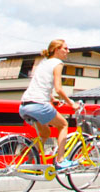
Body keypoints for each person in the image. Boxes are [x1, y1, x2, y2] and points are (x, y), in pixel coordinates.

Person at [18, 39, 80, 170]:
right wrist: (71, 104)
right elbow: (59, 88)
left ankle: (30, 161)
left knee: (45, 132)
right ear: (56, 50)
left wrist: (51, 98)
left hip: (25, 105)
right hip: (39, 104)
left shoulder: (43, 63)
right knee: (63, 125)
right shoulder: (58, 63)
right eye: (65, 48)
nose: (68, 51)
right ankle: (60, 160)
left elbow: (41, 85)